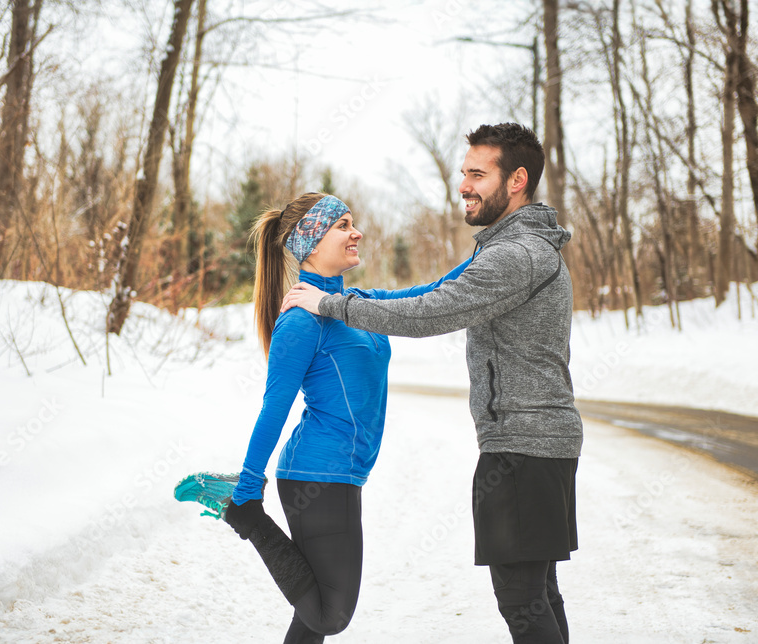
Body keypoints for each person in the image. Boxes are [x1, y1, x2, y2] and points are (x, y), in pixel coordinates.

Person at [282, 123, 583, 644]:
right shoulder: (521, 249)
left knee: (521, 598)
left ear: (516, 180)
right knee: (538, 593)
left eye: (476, 174)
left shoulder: (515, 256)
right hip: (539, 443)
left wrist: (332, 304)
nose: (463, 184)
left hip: (522, 445)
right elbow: (434, 291)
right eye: (463, 172)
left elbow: (430, 312)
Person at [176, 192, 469, 643]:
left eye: (354, 223)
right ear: (311, 243)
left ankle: (242, 506)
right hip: (316, 472)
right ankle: (244, 515)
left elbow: (433, 293)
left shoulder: (359, 303)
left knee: (313, 615)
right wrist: (251, 488)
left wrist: (491, 249)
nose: (358, 233)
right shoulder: (299, 323)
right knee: (330, 614)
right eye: (343, 225)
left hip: (343, 474)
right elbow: (274, 408)